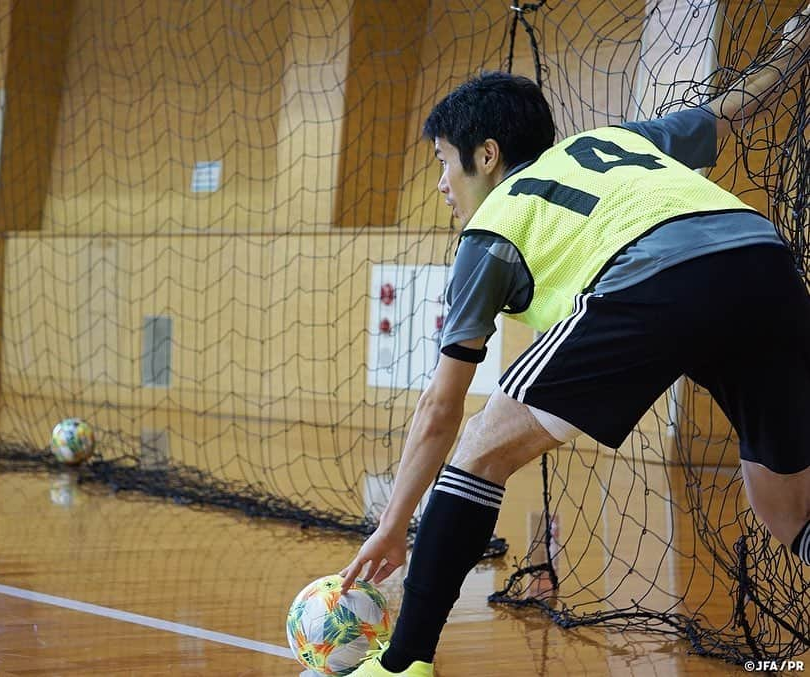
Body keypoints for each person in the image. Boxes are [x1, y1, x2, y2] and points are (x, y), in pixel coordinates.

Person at [340, 6, 810, 676]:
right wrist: (795, 49)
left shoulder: (493, 225)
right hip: (764, 262)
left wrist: (394, 524)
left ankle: (400, 664)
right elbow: (731, 110)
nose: (442, 183)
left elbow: (440, 412)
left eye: (443, 162)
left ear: (485, 155)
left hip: (656, 280)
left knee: (478, 450)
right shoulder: (619, 142)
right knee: (786, 509)